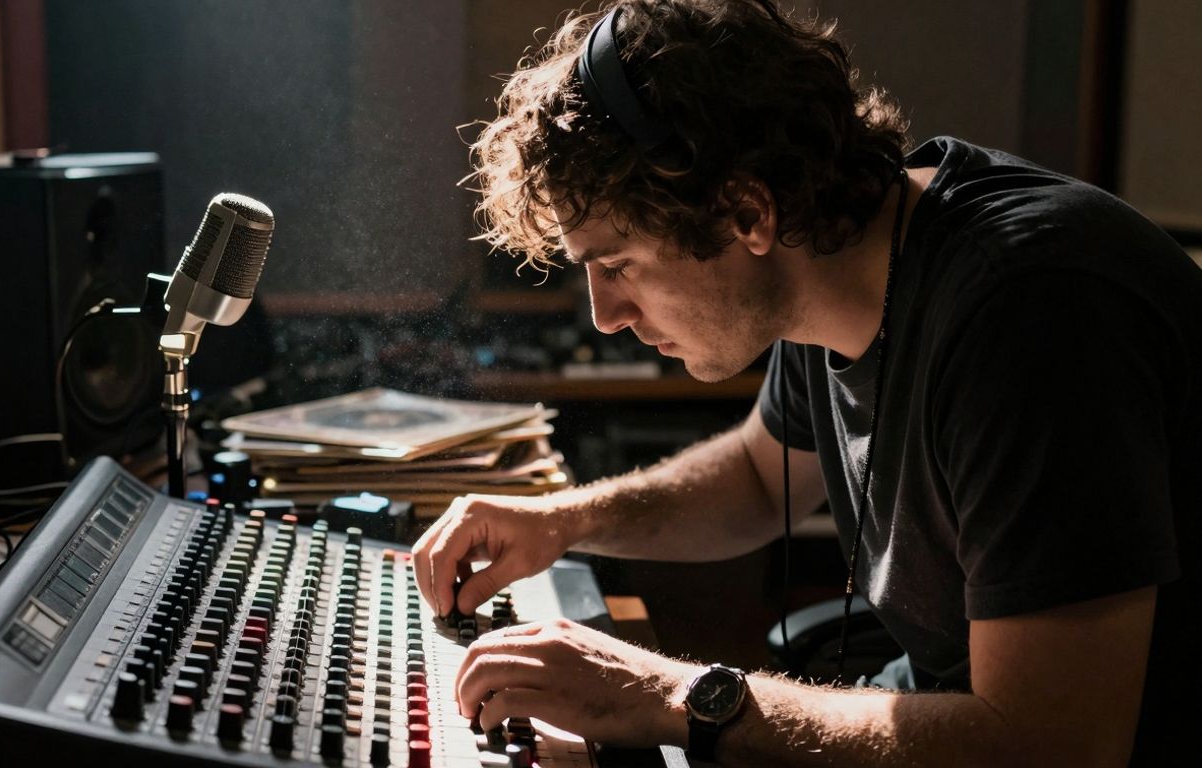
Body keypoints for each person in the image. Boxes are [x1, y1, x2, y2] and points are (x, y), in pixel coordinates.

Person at [412, 0, 1202, 765]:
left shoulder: (1029, 312)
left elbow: (1055, 746)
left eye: (617, 264)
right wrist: (562, 521)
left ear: (747, 213)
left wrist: (663, 693)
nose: (606, 316)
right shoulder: (827, 268)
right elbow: (759, 480)